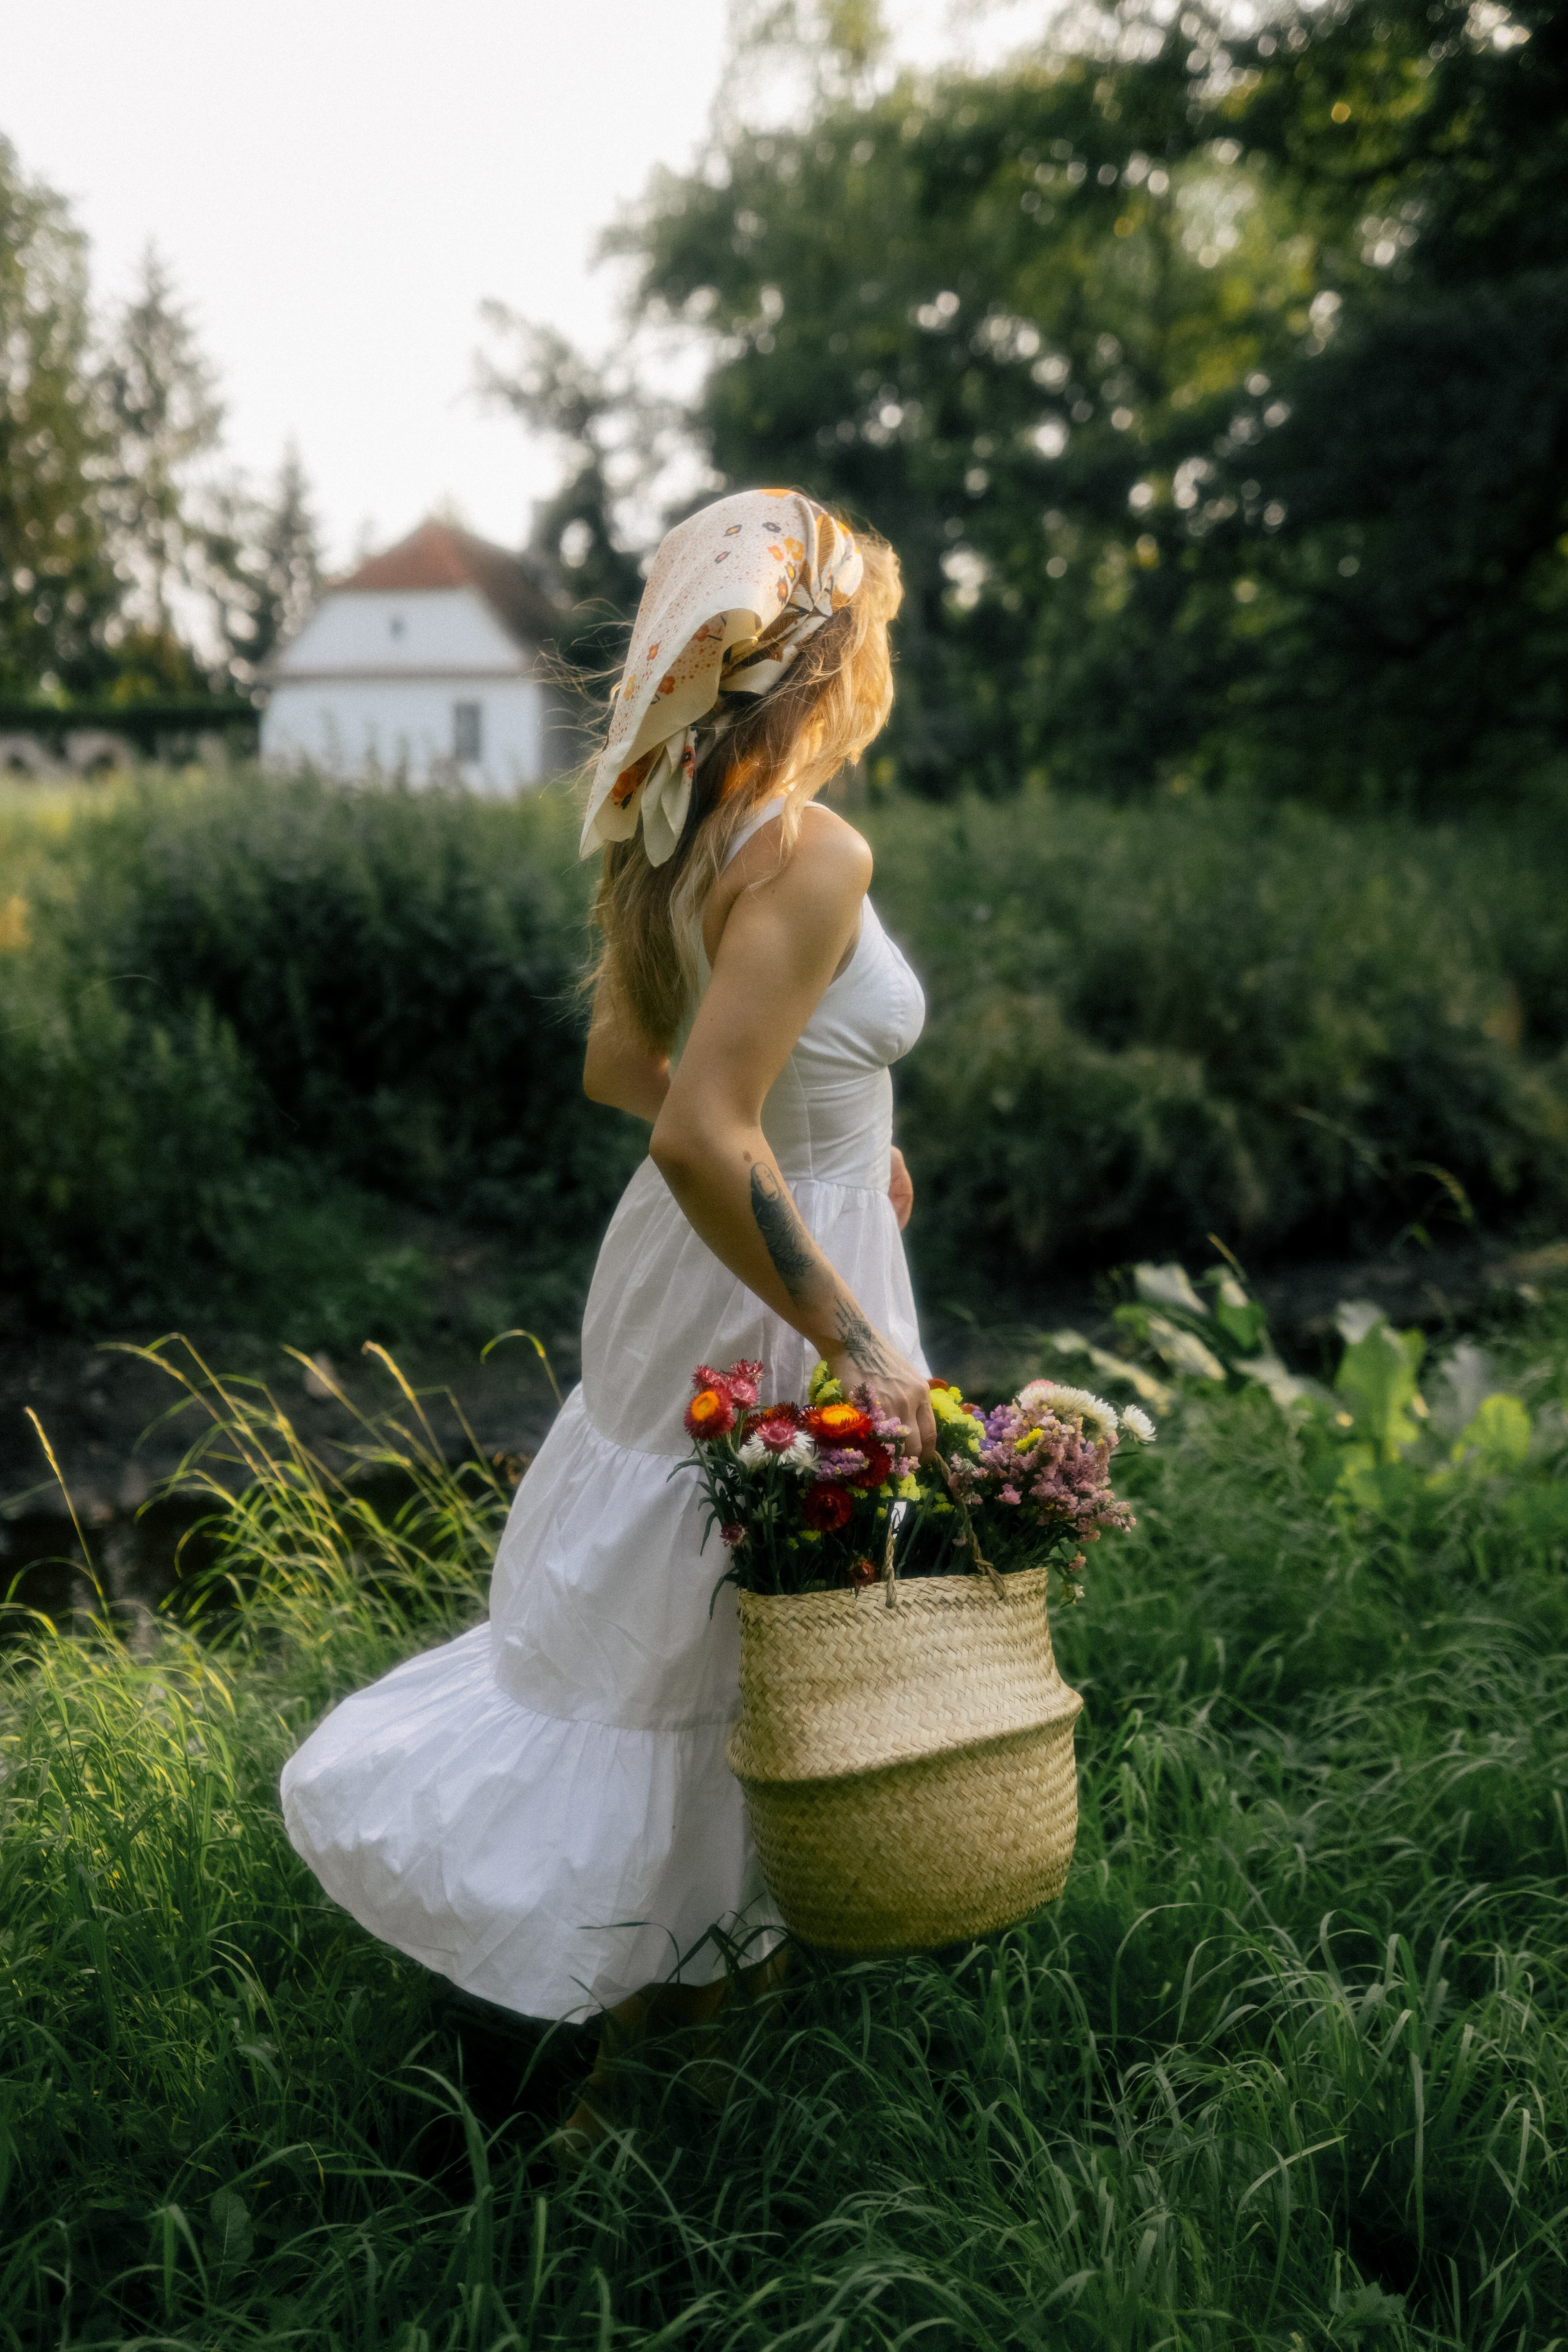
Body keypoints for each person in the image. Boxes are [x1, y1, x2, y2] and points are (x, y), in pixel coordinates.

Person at [281, 487, 933, 2140]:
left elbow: (637, 1071)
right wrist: (853, 1326)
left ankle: (653, 2060)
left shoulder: (677, 827)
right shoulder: (813, 847)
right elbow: (694, 1124)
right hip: (764, 1285)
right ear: (827, 660)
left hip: (705, 1256)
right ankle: (658, 2102)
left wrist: (845, 1147)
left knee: (687, 1645)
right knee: (733, 1663)